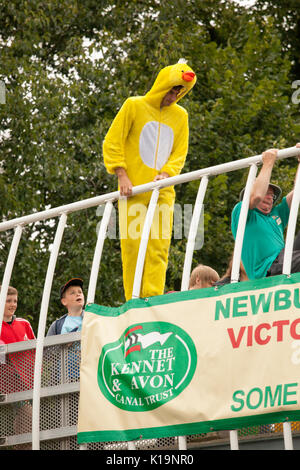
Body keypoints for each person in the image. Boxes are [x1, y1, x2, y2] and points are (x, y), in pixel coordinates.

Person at [103, 61, 197, 301]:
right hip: (132, 191)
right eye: (172, 89)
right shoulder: (134, 105)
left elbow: (179, 152)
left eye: (179, 92)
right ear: (162, 85)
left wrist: (167, 174)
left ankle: (152, 298)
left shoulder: (181, 116)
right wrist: (121, 174)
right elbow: (113, 141)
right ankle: (133, 300)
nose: (174, 96)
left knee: (159, 248)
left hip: (163, 191)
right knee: (133, 248)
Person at [231, 144, 300, 280]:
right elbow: (256, 196)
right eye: (266, 192)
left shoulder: (276, 214)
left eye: (272, 195)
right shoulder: (243, 212)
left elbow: (298, 192)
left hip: (284, 258)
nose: (269, 197)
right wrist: (268, 162)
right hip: (267, 269)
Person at [0, 285, 35, 449]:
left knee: (27, 419)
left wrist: (36, 374)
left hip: (23, 385)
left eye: (15, 300)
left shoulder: (24, 324)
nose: (13, 304)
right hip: (4, 385)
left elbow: (36, 352)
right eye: (8, 301)